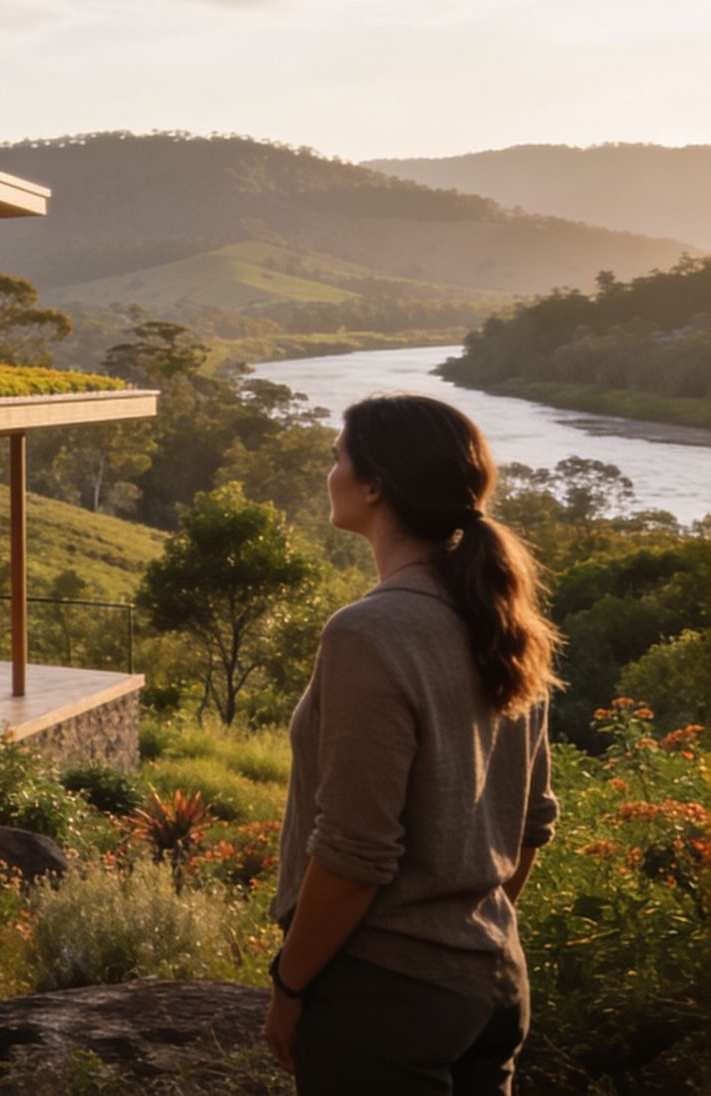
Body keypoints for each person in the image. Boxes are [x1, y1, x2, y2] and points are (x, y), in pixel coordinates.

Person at [264, 393, 561, 1094]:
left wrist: (290, 985)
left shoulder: (370, 633)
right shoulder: (505, 621)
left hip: (384, 995)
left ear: (374, 485)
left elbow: (354, 855)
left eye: (336, 458)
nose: (327, 471)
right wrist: (466, 932)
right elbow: (531, 828)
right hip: (492, 980)